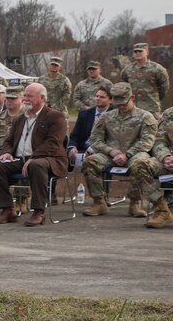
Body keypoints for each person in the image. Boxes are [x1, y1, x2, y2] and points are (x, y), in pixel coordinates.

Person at [0, 83, 69, 226]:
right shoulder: (21, 118)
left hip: (49, 159)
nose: (25, 99)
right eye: (24, 95)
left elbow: (53, 143)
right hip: (20, 159)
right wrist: (6, 153)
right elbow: (9, 140)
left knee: (36, 165)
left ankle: (39, 212)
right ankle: (7, 209)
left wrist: (33, 158)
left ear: (42, 98)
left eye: (29, 96)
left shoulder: (56, 116)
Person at [81, 82, 158, 218]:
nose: (121, 106)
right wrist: (110, 151)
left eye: (124, 102)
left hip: (135, 154)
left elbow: (147, 141)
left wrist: (127, 154)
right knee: (90, 162)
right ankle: (99, 202)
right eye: (118, 103)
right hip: (111, 154)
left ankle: (134, 203)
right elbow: (95, 139)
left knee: (140, 163)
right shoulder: (106, 117)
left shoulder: (145, 117)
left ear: (132, 98)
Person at [141, 106, 173, 228]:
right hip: (169, 159)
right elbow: (159, 141)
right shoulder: (169, 113)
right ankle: (162, 210)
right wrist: (165, 157)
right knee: (140, 165)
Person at [120, 42, 170, 116]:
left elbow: (164, 87)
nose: (137, 53)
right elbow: (124, 87)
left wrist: (155, 99)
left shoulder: (157, 69)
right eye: (135, 51)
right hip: (132, 109)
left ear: (147, 52)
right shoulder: (127, 70)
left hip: (151, 109)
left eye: (140, 51)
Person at [67, 85, 113, 162]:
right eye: (97, 96)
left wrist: (92, 150)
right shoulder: (84, 114)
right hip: (83, 149)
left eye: (102, 97)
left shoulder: (114, 115)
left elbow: (112, 140)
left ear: (110, 100)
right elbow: (75, 136)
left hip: (103, 151)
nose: (98, 99)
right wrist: (72, 148)